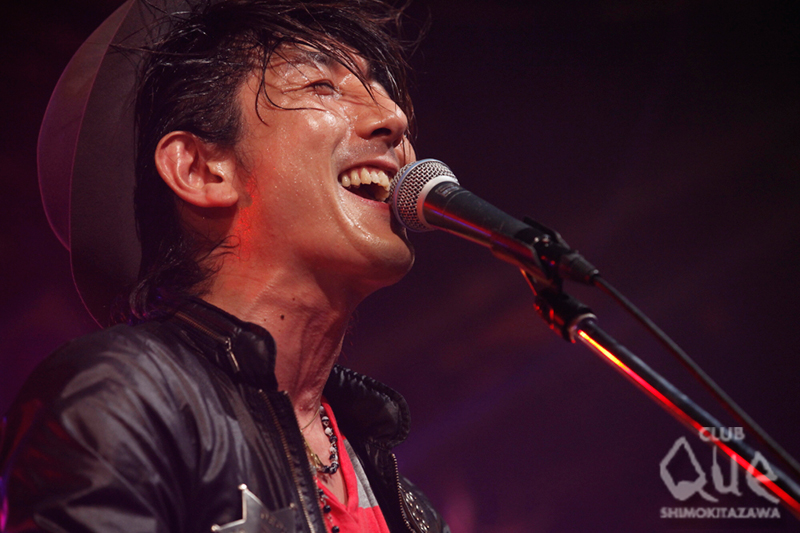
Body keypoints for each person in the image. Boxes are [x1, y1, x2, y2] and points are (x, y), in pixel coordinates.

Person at [0, 0, 447, 531]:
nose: (394, 117)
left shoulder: (404, 504)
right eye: (321, 86)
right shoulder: (121, 399)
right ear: (201, 170)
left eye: (382, 91)